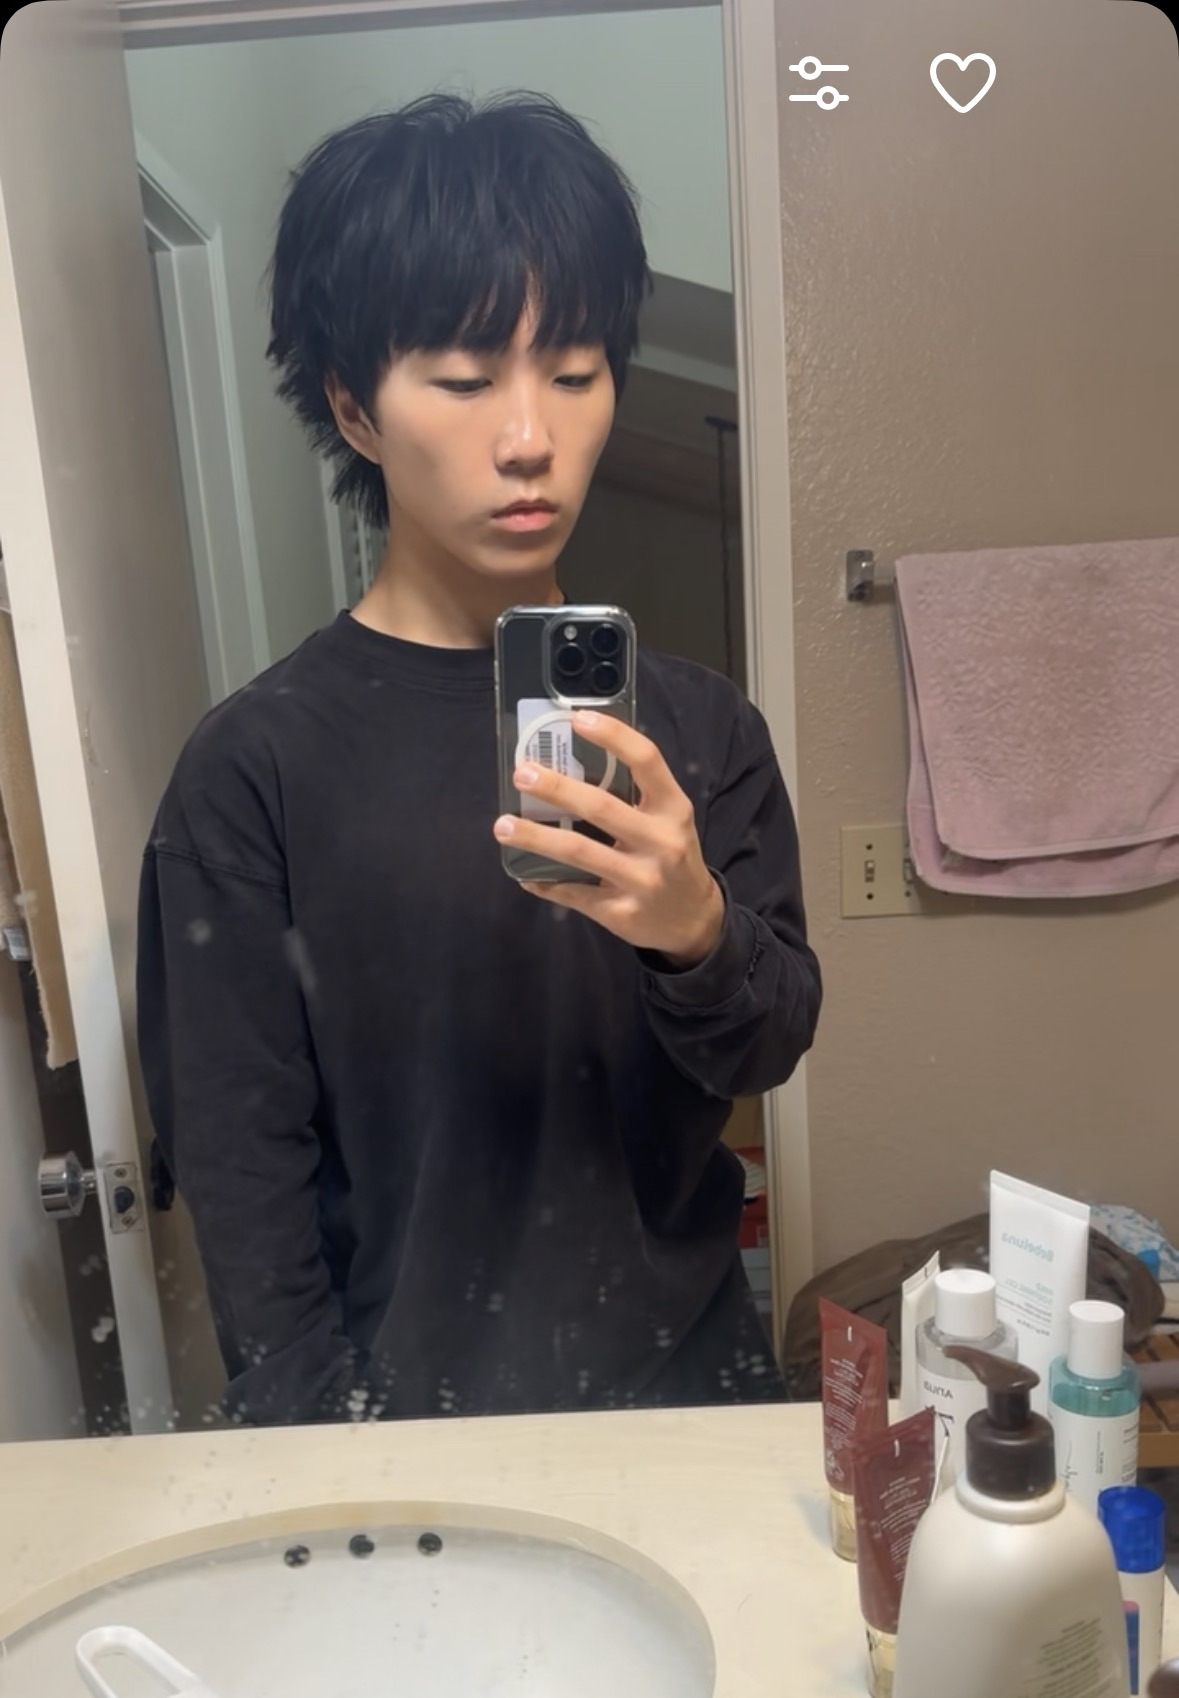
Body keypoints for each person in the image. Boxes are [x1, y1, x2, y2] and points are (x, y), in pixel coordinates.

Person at [136, 91, 822, 1427]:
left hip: (693, 1395)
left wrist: (695, 933)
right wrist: (328, 1458)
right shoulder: (252, 769)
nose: (528, 437)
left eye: (573, 371)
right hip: (401, 1428)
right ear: (354, 407)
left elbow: (773, 1043)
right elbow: (242, 1165)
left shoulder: (701, 730)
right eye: (462, 381)